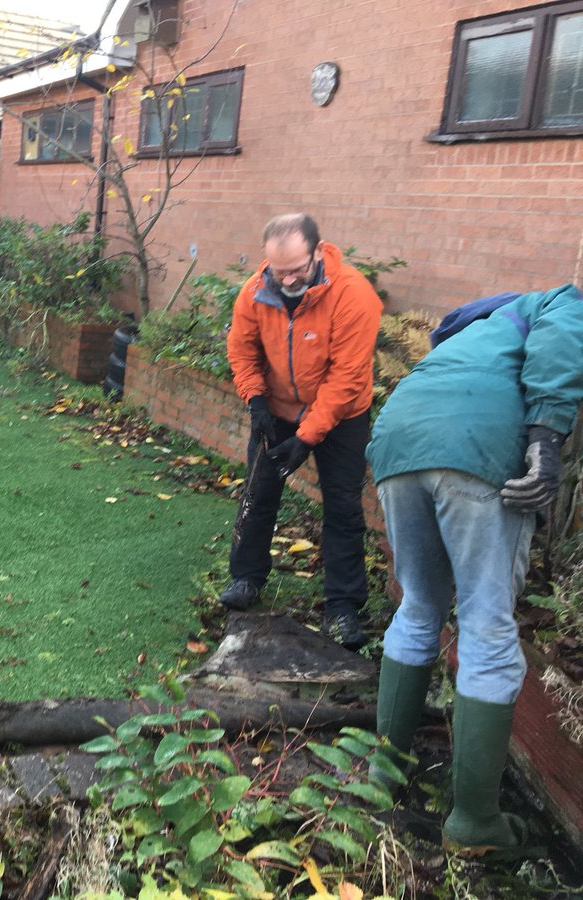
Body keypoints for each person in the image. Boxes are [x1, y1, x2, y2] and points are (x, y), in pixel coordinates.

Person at [367, 284, 583, 855]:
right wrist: (546, 441)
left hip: (397, 442)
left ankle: (382, 774)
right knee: (488, 625)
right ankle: (474, 823)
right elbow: (562, 347)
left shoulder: (479, 326)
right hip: (476, 451)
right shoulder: (562, 301)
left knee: (418, 605)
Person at [222, 213, 382, 649]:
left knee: (344, 507)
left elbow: (347, 378)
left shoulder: (353, 295)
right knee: (257, 493)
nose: (288, 278)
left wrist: (308, 437)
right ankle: (246, 579)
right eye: (279, 270)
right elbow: (241, 348)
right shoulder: (256, 290)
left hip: (342, 413)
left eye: (297, 268)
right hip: (277, 408)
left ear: (317, 251)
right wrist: (256, 402)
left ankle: (343, 607)